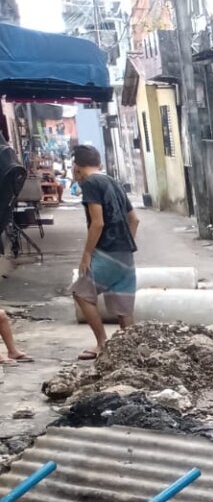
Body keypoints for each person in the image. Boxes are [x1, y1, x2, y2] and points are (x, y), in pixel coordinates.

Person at [70, 144, 138, 361]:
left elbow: (97, 223)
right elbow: (134, 219)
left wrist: (87, 254)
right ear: (98, 163)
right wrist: (124, 243)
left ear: (76, 168)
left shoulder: (90, 183)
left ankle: (102, 343)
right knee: (123, 308)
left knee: (81, 293)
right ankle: (129, 351)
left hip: (106, 251)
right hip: (125, 253)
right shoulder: (114, 182)